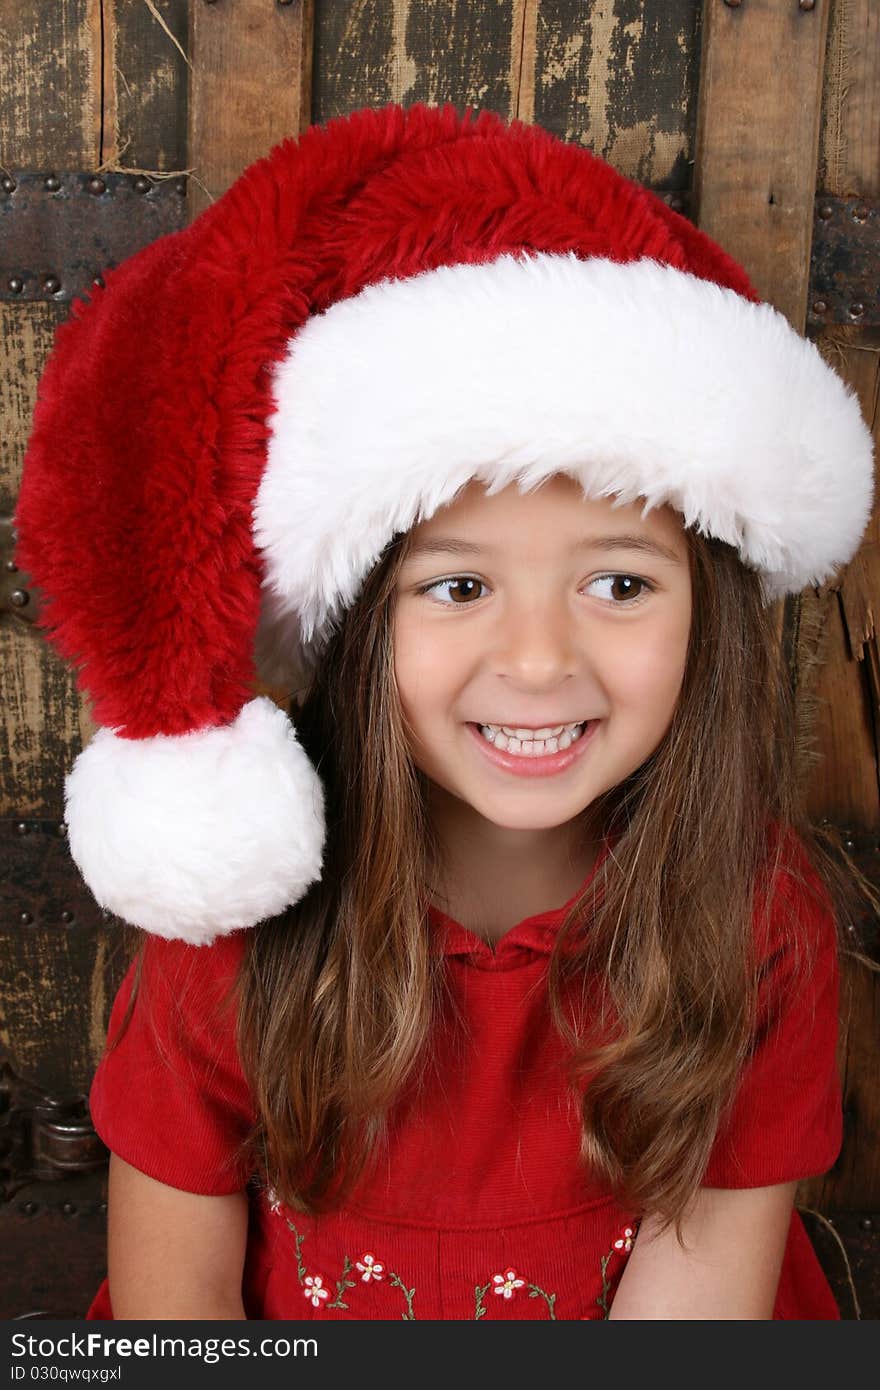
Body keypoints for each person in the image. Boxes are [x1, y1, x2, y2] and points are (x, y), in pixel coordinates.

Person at [14, 102, 875, 1321]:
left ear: (709, 613)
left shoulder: (755, 919)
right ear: (362, 624)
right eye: (458, 585)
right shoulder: (232, 939)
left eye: (618, 582)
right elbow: (178, 1317)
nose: (536, 660)